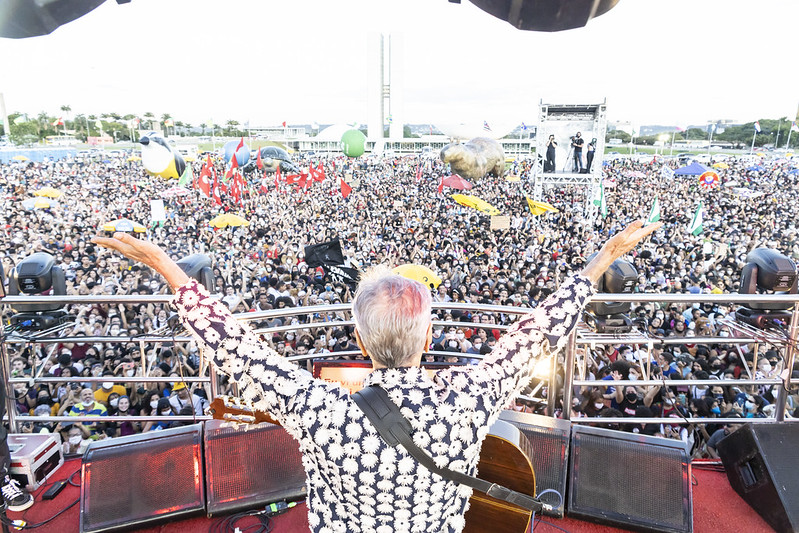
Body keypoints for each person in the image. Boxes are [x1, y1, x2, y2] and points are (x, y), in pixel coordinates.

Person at [93, 220, 659, 532]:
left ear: (360, 343)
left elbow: (233, 347)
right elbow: (537, 331)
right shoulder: (468, 400)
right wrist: (600, 261)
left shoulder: (321, 410)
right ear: (429, 340)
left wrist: (168, 268)